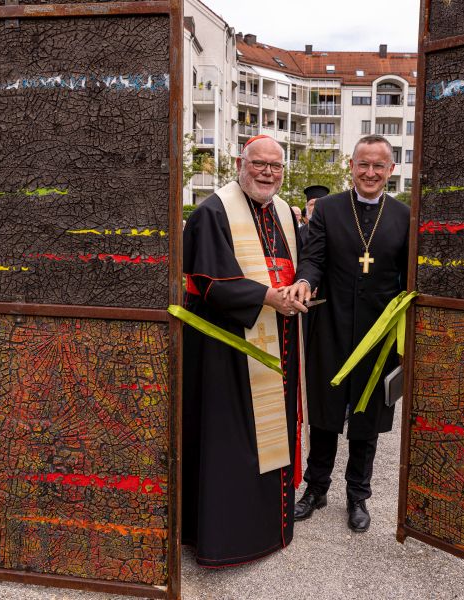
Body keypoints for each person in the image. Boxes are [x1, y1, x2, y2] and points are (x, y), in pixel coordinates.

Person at [181, 136, 307, 566]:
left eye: (275, 166)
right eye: (259, 164)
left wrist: (301, 287)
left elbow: (305, 263)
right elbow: (210, 280)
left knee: (270, 437)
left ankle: (269, 526)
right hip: (226, 350)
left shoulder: (284, 215)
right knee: (230, 444)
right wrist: (268, 298)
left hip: (277, 343)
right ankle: (227, 538)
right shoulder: (213, 212)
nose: (267, 172)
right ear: (241, 163)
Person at [284, 135, 409, 532]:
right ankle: (316, 488)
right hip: (331, 327)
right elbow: (314, 257)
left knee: (366, 418)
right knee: (324, 414)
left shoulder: (405, 216)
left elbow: (409, 277)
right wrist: (304, 280)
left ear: (390, 170)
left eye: (378, 166)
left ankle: (358, 496)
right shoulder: (330, 210)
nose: (370, 173)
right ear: (351, 167)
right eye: (363, 165)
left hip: (379, 335)